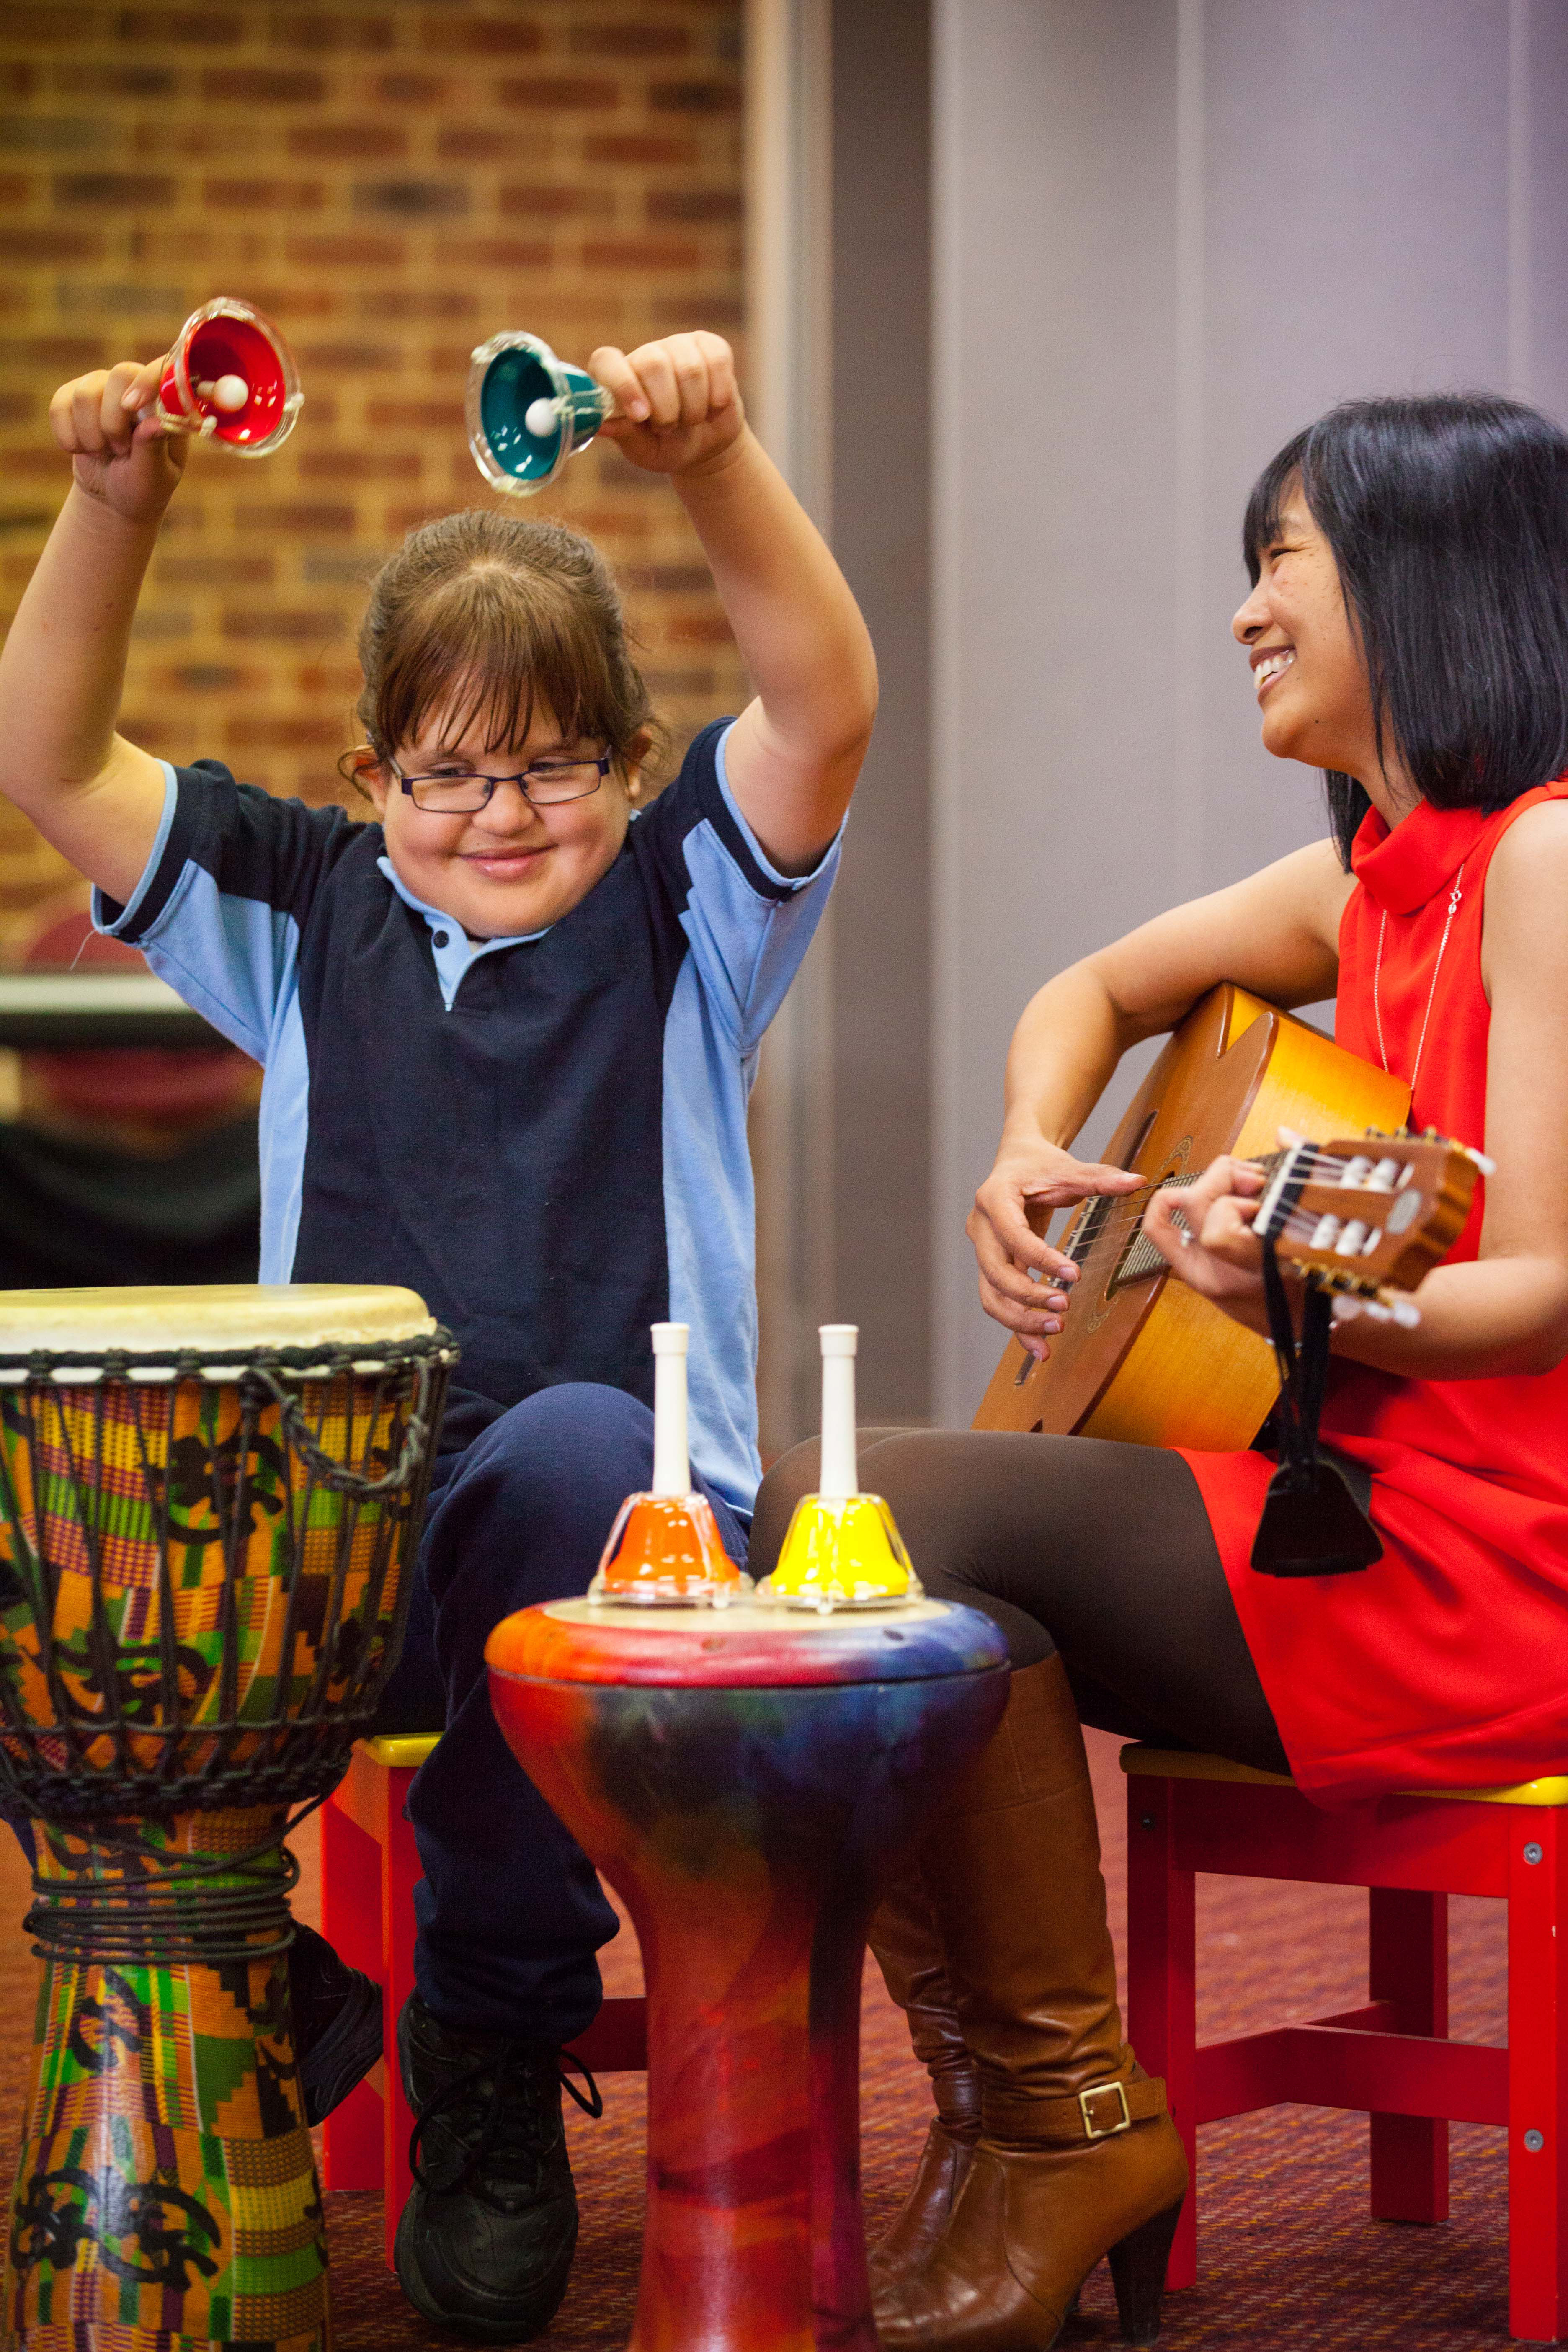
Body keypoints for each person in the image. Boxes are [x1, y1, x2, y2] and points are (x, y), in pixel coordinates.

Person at [0, 330, 876, 2341]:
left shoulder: (691, 911)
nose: (501, 811)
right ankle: (268, 1973)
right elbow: (47, 755)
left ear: (632, 769)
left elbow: (825, 698)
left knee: (571, 1447)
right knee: (60, 1540)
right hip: (340, 1556)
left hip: (625, 1550)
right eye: (448, 772)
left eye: (553, 764)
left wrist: (716, 459)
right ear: (371, 778)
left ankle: (488, 2034)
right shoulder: (299, 910)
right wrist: (116, 503)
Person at [753, 392, 1568, 2351]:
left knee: (856, 1511)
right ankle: (1034, 2120)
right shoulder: (1375, 879)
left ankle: (1057, 2129)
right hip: (1350, 1514)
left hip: (1487, 1566)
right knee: (898, 1572)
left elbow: (1544, 1287)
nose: (1245, 613)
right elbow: (1095, 989)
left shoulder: (1550, 860)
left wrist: (1307, 1302)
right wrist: (1032, 1145)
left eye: (1280, 559)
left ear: (1428, 574)